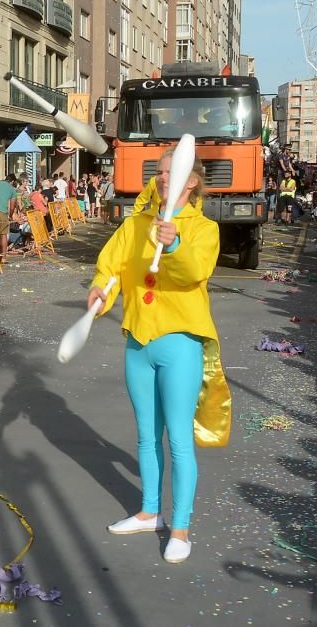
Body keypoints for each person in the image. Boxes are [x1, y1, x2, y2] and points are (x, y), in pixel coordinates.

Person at [89, 146, 231, 565]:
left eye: (174, 172)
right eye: (160, 171)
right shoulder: (136, 225)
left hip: (180, 343)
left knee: (179, 441)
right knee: (146, 436)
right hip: (138, 342)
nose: (164, 177)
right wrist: (101, 290)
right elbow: (111, 267)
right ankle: (150, 511)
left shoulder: (203, 228)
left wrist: (174, 245)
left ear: (192, 181)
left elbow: (194, 272)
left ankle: (181, 527)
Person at [0, 174, 18, 261]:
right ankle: (3, 257)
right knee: (3, 235)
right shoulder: (11, 189)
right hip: (3, 212)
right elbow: (13, 206)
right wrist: (10, 215)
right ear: (12, 181)